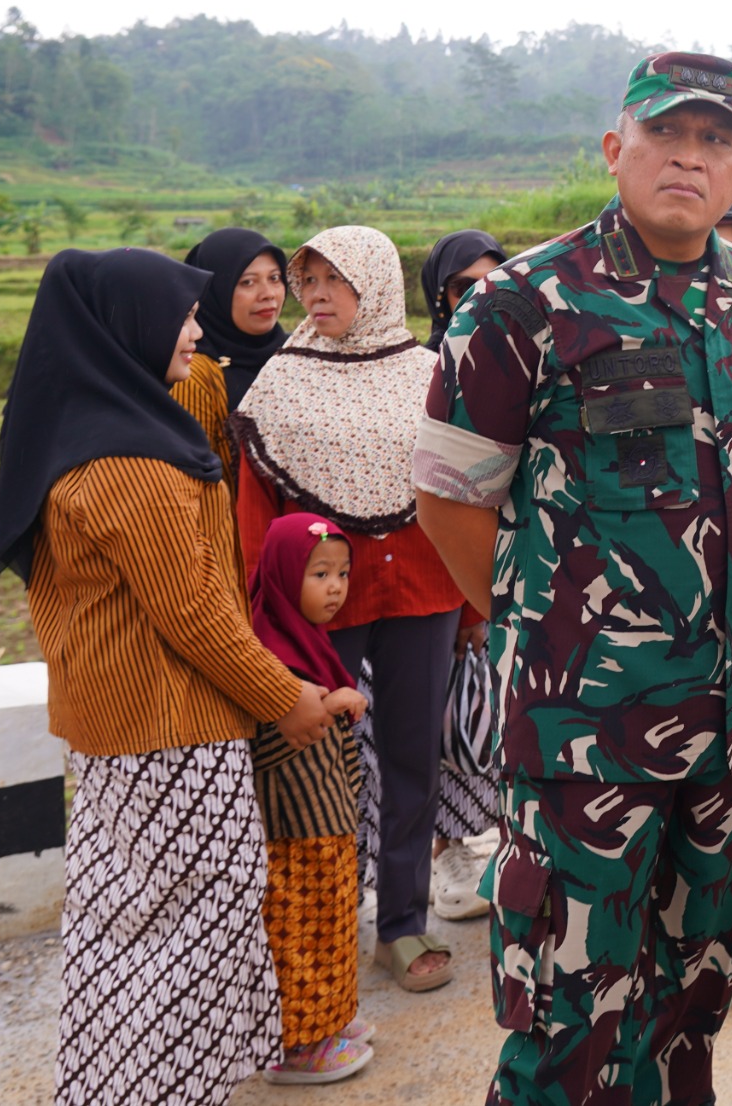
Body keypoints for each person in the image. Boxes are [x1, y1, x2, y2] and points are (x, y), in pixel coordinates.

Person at [410, 52, 732, 1106]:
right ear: (613, 148)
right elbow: (447, 497)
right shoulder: (523, 300)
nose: (689, 156)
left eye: (718, 139)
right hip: (587, 733)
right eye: (667, 132)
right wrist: (532, 630)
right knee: (569, 1013)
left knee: (692, 1003)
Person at [0, 248, 327, 1106]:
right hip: (170, 725)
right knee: (193, 920)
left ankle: (119, 1086)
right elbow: (197, 616)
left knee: (127, 914)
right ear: (124, 331)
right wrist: (285, 699)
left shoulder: (91, 434)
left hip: (121, 722)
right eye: (180, 317)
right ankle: (164, 1086)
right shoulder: (134, 469)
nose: (194, 331)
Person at [236, 226, 462, 994]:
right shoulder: (281, 384)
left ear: (377, 285)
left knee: (410, 760)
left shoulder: (430, 375)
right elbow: (255, 514)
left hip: (424, 590)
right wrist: (261, 617)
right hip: (320, 605)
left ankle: (401, 924)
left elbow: (462, 488)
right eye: (311, 280)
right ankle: (320, 921)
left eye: (337, 280)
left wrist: (476, 596)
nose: (319, 296)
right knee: (316, 763)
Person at [245, 514, 376, 1085]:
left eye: (342, 573)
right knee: (300, 930)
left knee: (333, 922)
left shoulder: (309, 641)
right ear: (279, 575)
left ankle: (329, 1023)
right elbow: (267, 738)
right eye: (319, 573)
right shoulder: (269, 656)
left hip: (328, 820)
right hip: (296, 829)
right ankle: (295, 1046)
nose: (335, 587)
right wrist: (333, 701)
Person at [417, 229, 511, 917]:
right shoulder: (423, 366)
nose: (477, 295)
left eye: (490, 280)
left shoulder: (519, 359)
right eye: (461, 287)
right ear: (438, 296)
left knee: (501, 723)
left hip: (508, 575)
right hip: (440, 573)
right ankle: (447, 854)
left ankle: (511, 849)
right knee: (443, 727)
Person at [176, 228, 289, 476]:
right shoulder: (192, 371)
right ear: (214, 290)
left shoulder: (296, 355)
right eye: (247, 282)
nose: (268, 294)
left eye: (275, 278)